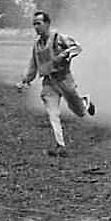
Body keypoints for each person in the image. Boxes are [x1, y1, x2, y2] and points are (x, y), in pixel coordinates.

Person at [19, 11, 95, 157]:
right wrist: (25, 80)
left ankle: (85, 102)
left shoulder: (59, 38)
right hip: (48, 82)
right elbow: (34, 65)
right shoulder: (37, 45)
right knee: (53, 113)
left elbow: (77, 47)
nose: (36, 27)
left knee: (79, 112)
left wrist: (65, 55)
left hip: (64, 79)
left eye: (39, 23)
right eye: (34, 24)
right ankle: (60, 145)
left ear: (47, 23)